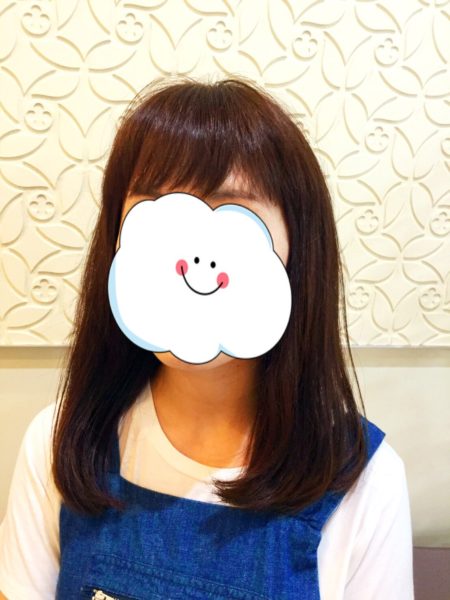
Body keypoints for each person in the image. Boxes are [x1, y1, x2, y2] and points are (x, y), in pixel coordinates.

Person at [0, 75, 414, 599]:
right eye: (155, 209)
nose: (188, 256)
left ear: (296, 243)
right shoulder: (60, 441)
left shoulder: (365, 481)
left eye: (229, 212)